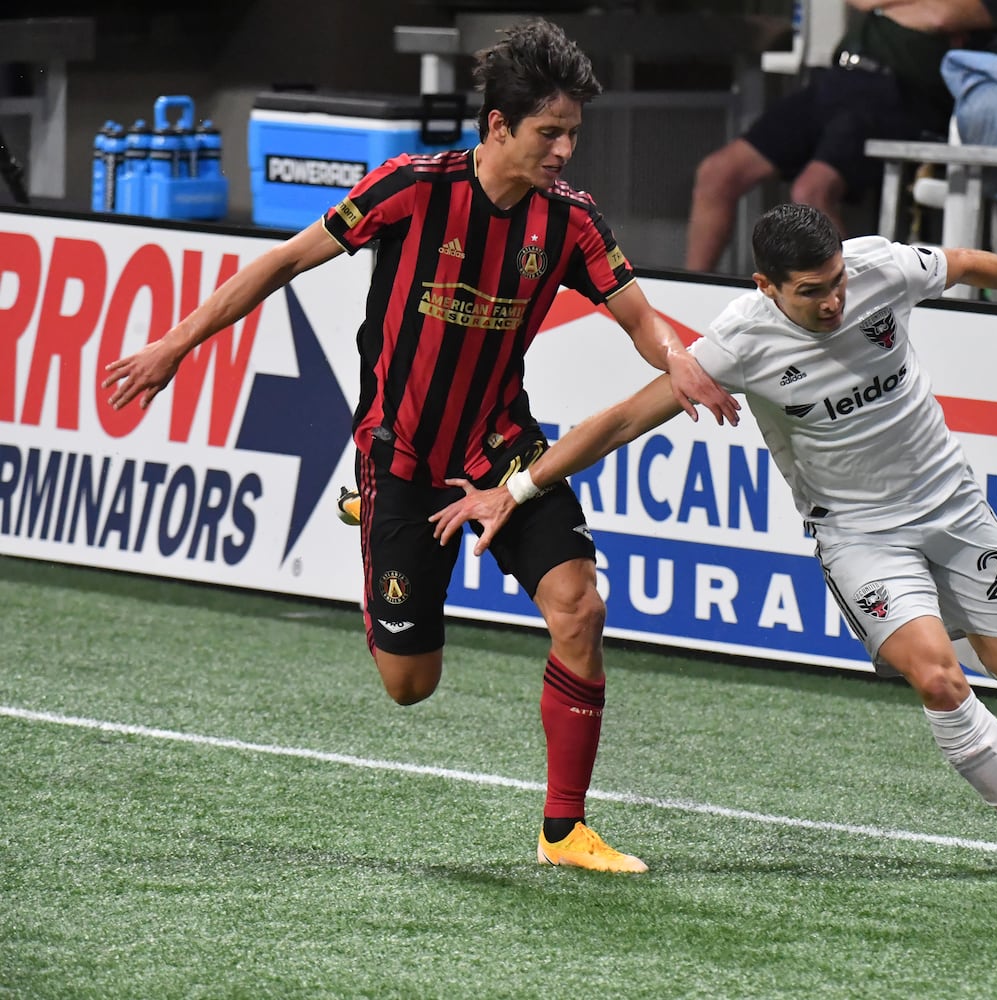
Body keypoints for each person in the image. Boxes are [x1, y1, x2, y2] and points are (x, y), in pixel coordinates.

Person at [101, 19, 738, 875]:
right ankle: (375, 525)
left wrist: (676, 360)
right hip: (400, 456)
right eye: (550, 132)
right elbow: (284, 262)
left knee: (580, 609)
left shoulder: (571, 220)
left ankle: (563, 832)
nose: (563, 150)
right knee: (410, 686)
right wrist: (175, 344)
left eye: (573, 134)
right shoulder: (411, 187)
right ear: (498, 127)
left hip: (502, 449)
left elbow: (637, 316)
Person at [432, 203, 997, 883]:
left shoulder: (879, 269)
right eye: (811, 290)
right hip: (859, 535)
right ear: (766, 285)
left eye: (836, 282)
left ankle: (939, 624)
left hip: (954, 505)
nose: (833, 301)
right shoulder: (741, 342)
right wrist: (517, 490)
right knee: (941, 680)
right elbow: (622, 421)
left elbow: (965, 264)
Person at [685, 0, 997, 272]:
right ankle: (690, 296)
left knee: (811, 191)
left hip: (900, 93)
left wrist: (886, 7)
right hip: (836, 80)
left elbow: (940, 16)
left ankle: (854, 309)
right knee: (718, 173)